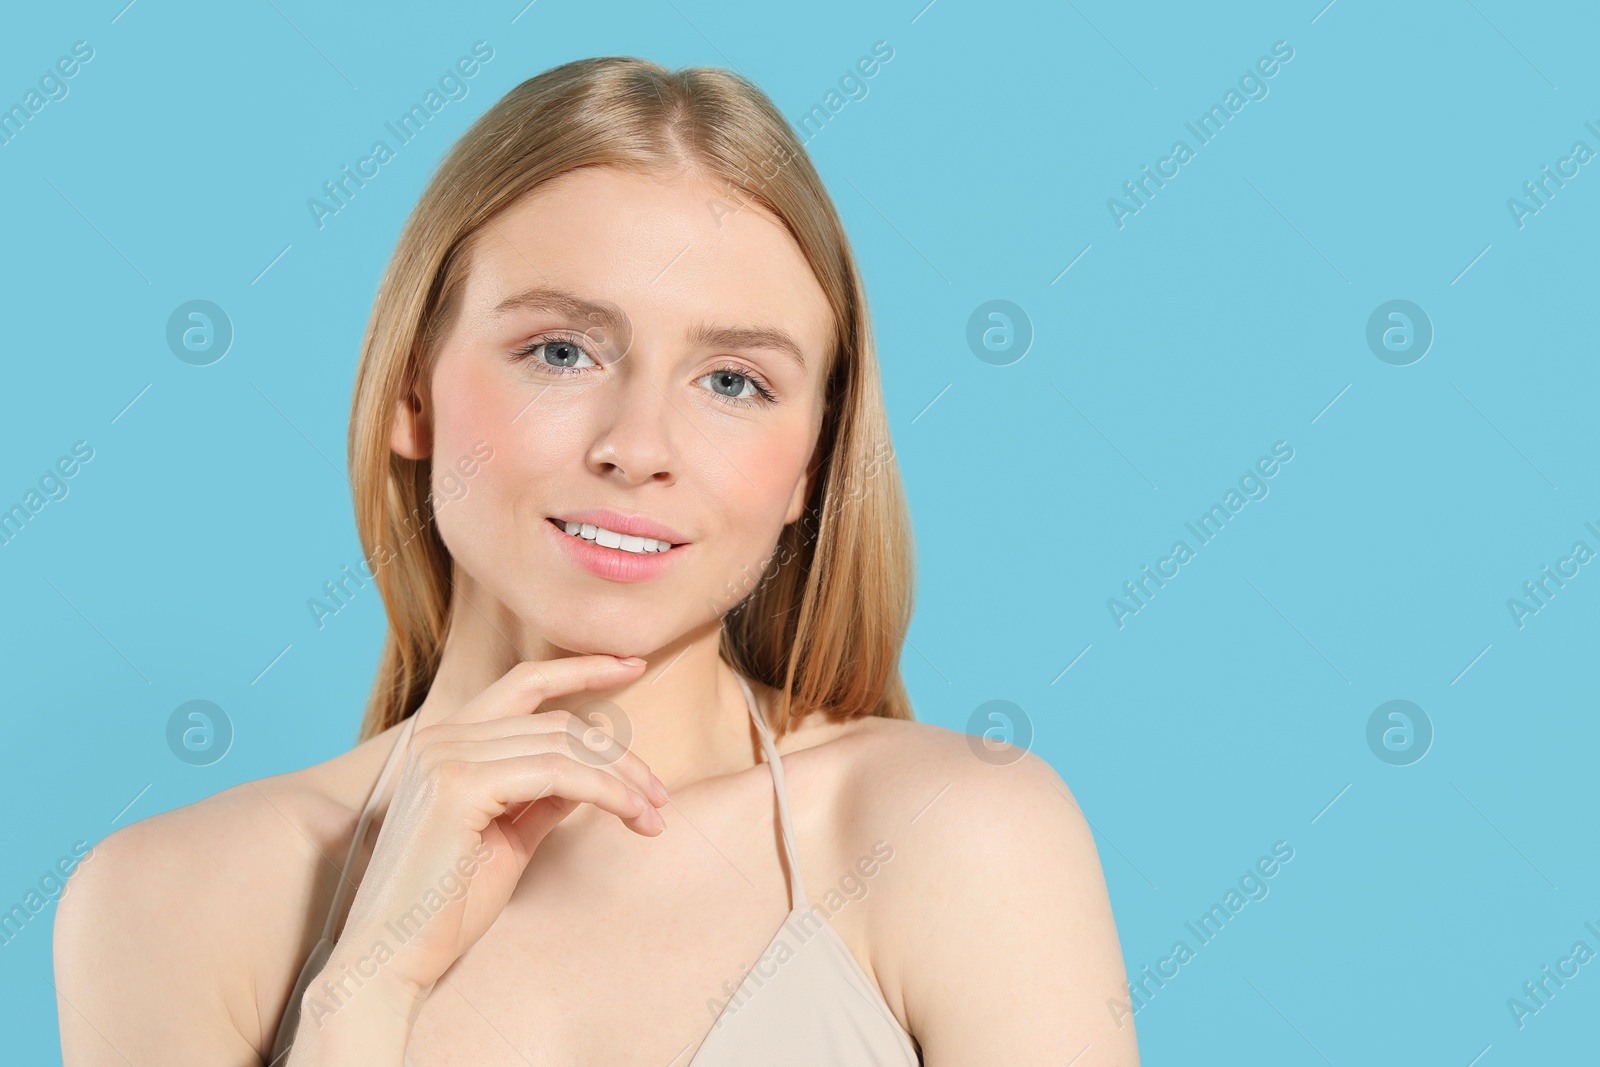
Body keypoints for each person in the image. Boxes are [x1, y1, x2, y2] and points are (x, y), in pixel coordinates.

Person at [53, 56, 1139, 1065]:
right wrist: (364, 992)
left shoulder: (952, 833)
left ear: (812, 459)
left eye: (733, 381)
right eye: (561, 351)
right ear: (411, 392)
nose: (638, 447)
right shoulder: (168, 900)